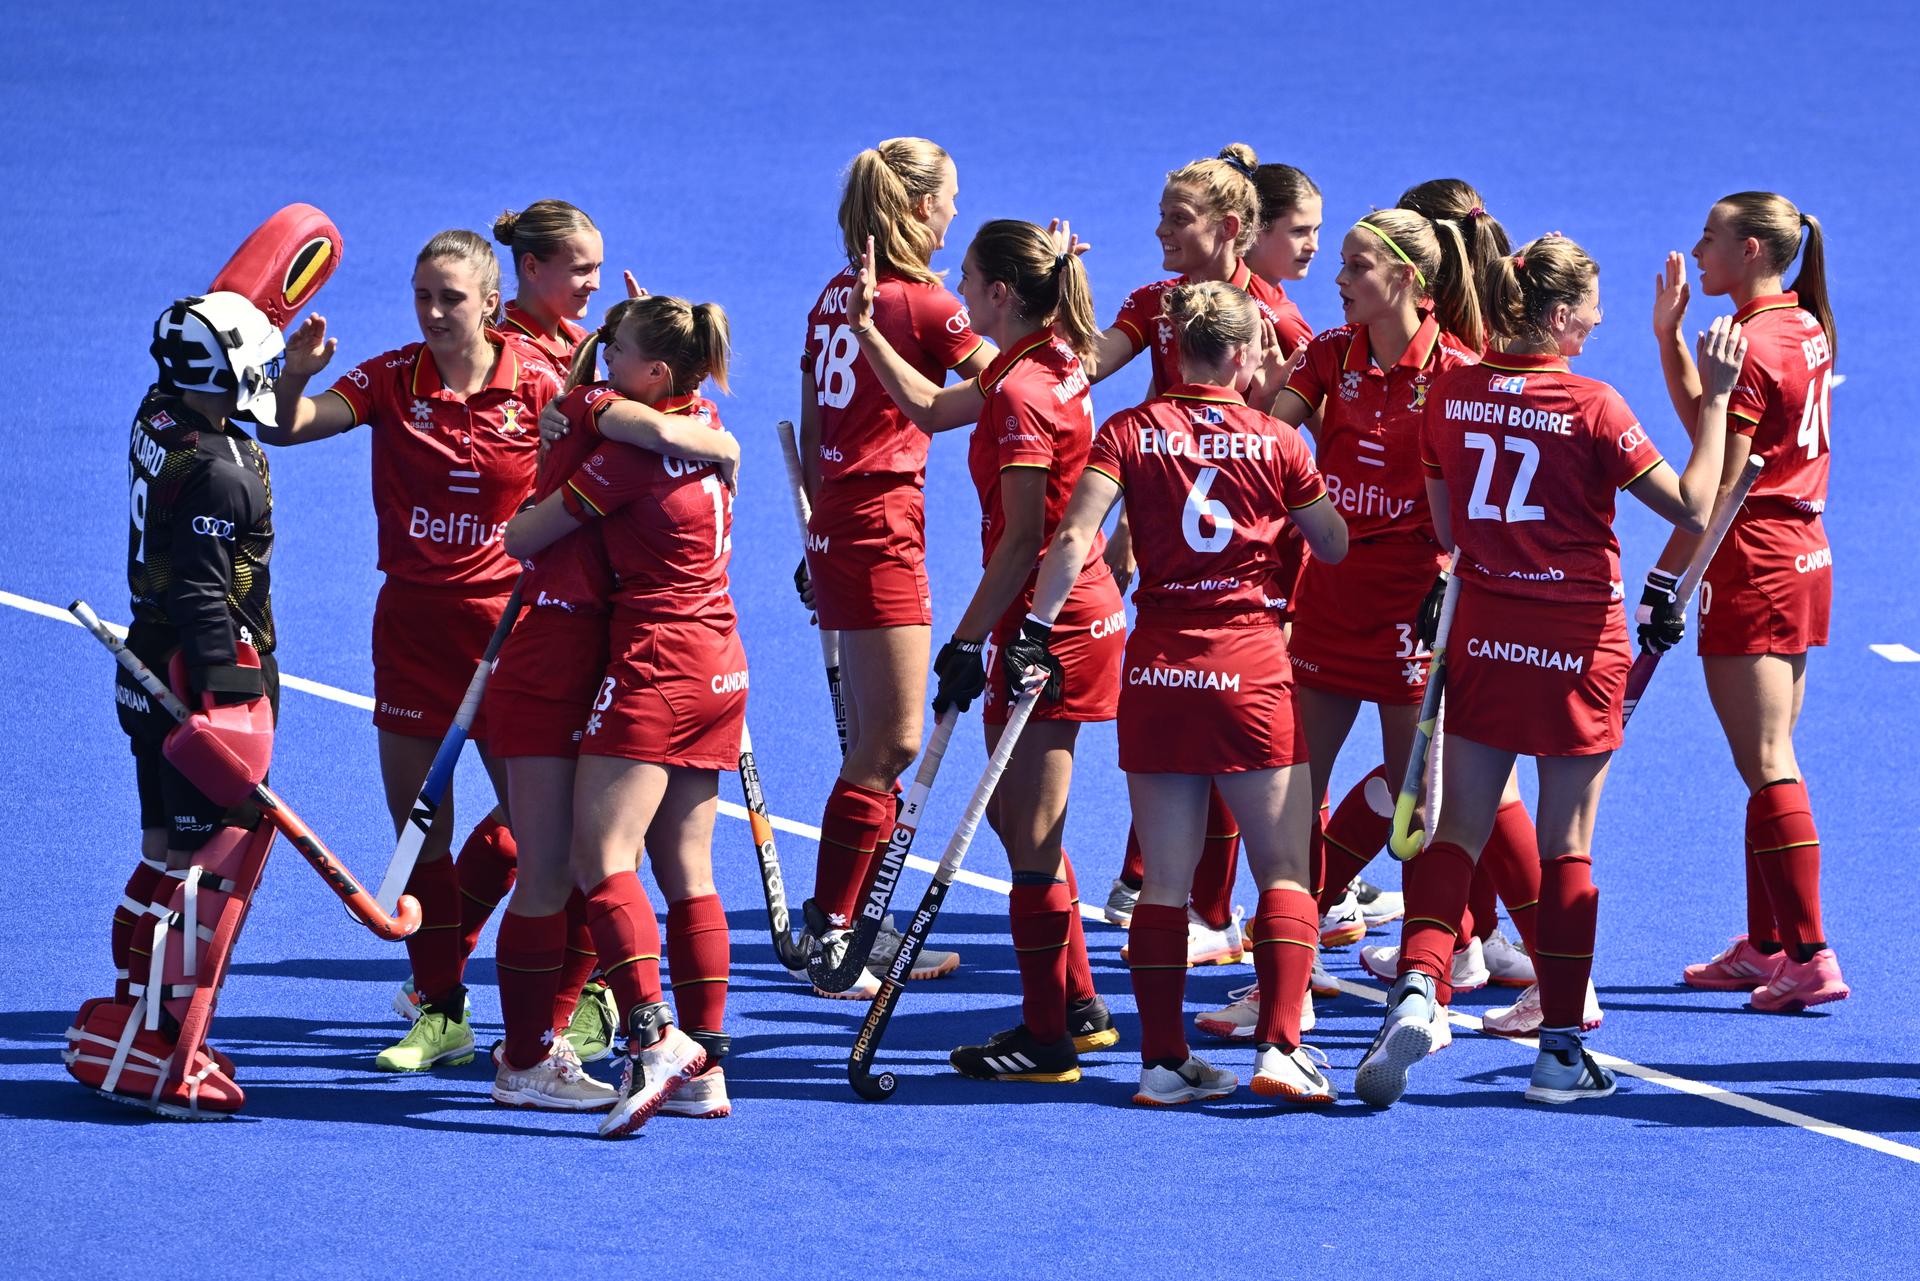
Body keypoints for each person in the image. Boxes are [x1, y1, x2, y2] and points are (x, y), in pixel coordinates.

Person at [1355, 233, 1742, 1108]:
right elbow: (1691, 502)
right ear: (1560, 315)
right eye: (1592, 307)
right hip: (1576, 642)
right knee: (1567, 840)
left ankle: (1420, 984)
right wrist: (1714, 401)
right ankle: (1560, 1050)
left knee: (1459, 828)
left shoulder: (1449, 393)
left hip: (1486, 633)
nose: (1600, 320)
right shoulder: (1595, 405)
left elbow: (1450, 533)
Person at [1009, 280, 1350, 1105]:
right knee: (1283, 872)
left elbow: (1072, 539)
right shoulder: (1278, 441)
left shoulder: (1129, 431)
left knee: (1162, 881)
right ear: (1242, 354)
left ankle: (1162, 1063)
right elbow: (1334, 544)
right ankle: (1281, 1044)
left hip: (1159, 665)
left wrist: (1037, 626)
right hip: (1252, 670)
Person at [266, 230, 561, 1072]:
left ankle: (563, 1014)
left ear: (492, 301)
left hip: (511, 634)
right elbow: (290, 427)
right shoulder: (395, 377)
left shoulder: (538, 384)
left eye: (451, 298)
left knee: (537, 829)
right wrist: (296, 374)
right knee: (418, 825)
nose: (433, 312)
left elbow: (594, 482)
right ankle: (442, 1010)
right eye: (422, 294)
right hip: (412, 631)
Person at [844, 219, 1124, 1081]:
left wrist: (969, 638)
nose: (956, 289)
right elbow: (930, 408)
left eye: (967, 277)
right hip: (1058, 613)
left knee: (1030, 834)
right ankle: (1075, 999)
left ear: (1001, 290)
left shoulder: (1020, 392)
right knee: (1011, 817)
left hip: (1049, 623)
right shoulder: (1038, 360)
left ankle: (1048, 1041)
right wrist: (866, 335)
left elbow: (1023, 539)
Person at [485, 299, 741, 1111]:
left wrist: (581, 411)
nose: (598, 358)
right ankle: (690, 1061)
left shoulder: (620, 438)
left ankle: (648, 1043)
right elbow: (654, 419)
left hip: (640, 663)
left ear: (653, 373)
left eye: (615, 349)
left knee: (591, 866)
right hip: (698, 662)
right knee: (649, 870)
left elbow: (522, 536)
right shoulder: (700, 420)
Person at [66, 292, 285, 1116]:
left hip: (142, 665)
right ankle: (163, 1050)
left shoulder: (157, 414)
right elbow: (204, 592)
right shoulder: (222, 472)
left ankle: (135, 1011)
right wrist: (237, 703)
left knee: (161, 850)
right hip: (198, 678)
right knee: (206, 874)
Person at [1089, 144, 1306, 966]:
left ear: (1226, 228)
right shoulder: (1157, 301)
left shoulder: (1279, 324)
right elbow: (1088, 366)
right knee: (1208, 720)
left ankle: (1214, 898)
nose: (1158, 231)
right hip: (1166, 526)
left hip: (1253, 560)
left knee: (1239, 733)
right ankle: (1189, 895)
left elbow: (1297, 448)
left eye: (1174, 218)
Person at [793, 138, 982, 997]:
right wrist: (1053, 313)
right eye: (947, 200)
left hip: (836, 515)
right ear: (915, 206)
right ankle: (834, 932)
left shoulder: (837, 295)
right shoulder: (926, 304)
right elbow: (1008, 386)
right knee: (894, 740)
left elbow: (813, 417)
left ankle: (848, 917)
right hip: (879, 524)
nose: (953, 215)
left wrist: (816, 526)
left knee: (875, 739)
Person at [1651, 192, 1844, 1011]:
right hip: (1803, 557)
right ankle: (1766, 942)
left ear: (1754, 250)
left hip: (1756, 562)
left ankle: (1808, 952)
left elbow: (1715, 485)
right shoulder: (1801, 325)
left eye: (1711, 239)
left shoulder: (1755, 348)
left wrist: (1666, 580)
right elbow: (1717, 423)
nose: (1698, 251)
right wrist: (1671, 341)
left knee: (1766, 761)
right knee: (1767, 757)